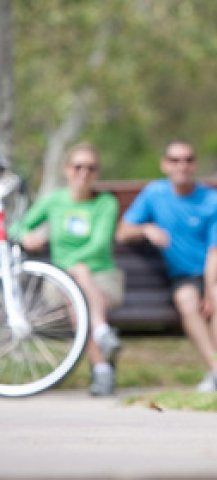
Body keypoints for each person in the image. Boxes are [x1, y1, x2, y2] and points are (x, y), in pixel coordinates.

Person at [115, 140, 217, 392]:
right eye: (175, 160)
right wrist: (145, 228)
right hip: (184, 279)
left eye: (188, 160)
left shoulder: (214, 200)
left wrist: (209, 290)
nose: (182, 166)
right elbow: (123, 232)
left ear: (195, 164)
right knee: (186, 298)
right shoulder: (154, 194)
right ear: (165, 165)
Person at [11, 144, 124, 396]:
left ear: (98, 173)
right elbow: (16, 227)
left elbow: (100, 244)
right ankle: (102, 335)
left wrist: (74, 265)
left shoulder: (106, 203)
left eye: (91, 167)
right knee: (75, 293)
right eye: (78, 166)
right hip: (61, 280)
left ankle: (101, 370)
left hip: (102, 276)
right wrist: (26, 235)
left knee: (80, 289)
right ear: (66, 170)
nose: (84, 173)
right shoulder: (53, 201)